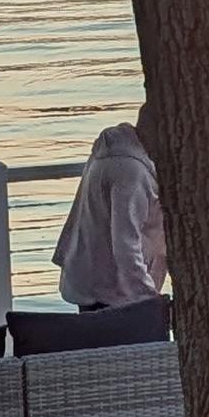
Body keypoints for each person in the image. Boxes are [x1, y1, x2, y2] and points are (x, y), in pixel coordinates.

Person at [53, 112, 168, 309]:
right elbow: (125, 243)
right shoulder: (132, 172)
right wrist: (149, 299)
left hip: (89, 279)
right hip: (116, 293)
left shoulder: (107, 155)